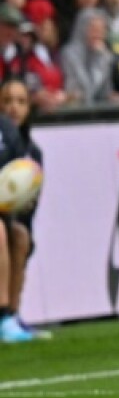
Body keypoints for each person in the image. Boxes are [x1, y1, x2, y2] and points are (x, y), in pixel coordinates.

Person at [0, 78, 48, 342]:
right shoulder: (3, 140)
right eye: (7, 101)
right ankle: (3, 311)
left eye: (20, 101)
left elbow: (29, 206)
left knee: (20, 236)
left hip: (9, 220)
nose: (13, 108)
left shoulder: (32, 153)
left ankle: (11, 317)